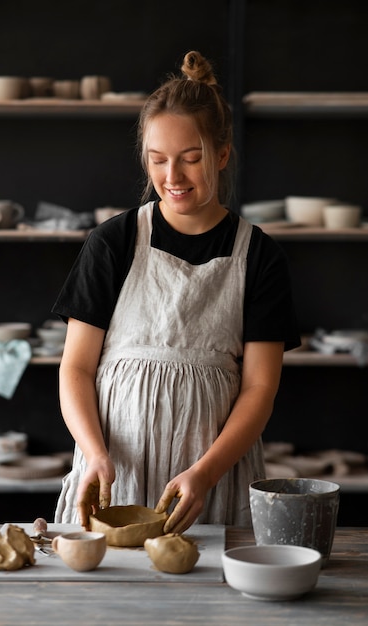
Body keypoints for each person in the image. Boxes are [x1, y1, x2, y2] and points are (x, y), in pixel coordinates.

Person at [52, 50, 300, 534]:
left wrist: (205, 474)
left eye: (192, 159)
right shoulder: (114, 242)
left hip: (211, 482)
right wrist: (96, 454)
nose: (173, 178)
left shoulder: (260, 256)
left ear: (222, 154)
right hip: (113, 479)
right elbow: (76, 369)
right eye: (158, 160)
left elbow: (259, 388)